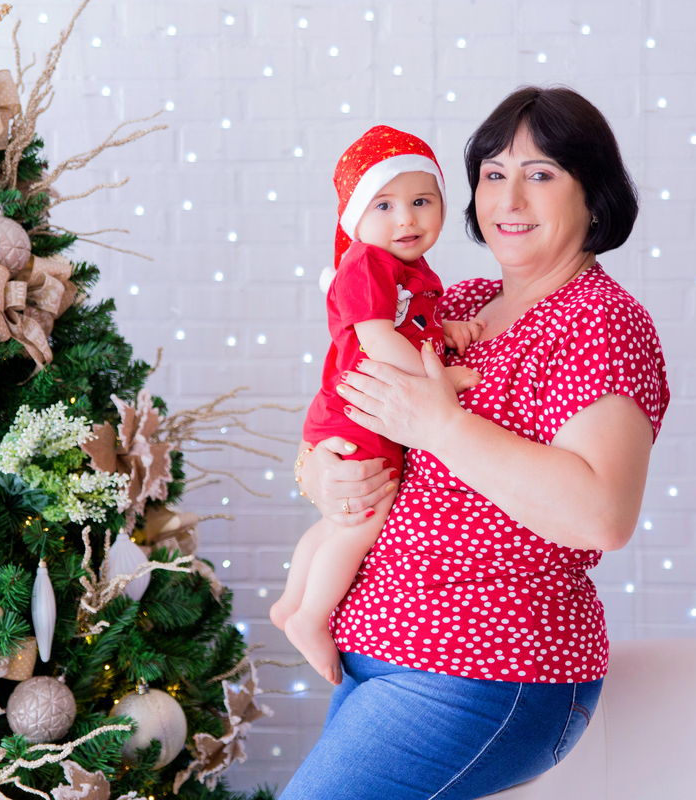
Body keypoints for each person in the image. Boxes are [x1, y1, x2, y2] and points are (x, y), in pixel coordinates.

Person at [281, 86, 670, 800]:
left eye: (540, 173)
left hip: (487, 670)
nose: (509, 198)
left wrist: (443, 425)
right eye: (494, 173)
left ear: (595, 196)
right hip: (379, 653)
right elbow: (352, 409)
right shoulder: (452, 306)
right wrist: (319, 473)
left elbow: (602, 516)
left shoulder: (601, 323)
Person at [270, 125, 484, 685]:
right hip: (358, 412)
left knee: (339, 520)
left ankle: (291, 602)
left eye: (422, 201)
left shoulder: (412, 270)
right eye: (384, 205)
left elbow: (411, 323)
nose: (406, 218)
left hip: (354, 411)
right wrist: (442, 377)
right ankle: (312, 618)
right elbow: (378, 338)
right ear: (354, 218)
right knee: (363, 523)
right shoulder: (366, 263)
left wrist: (447, 330)